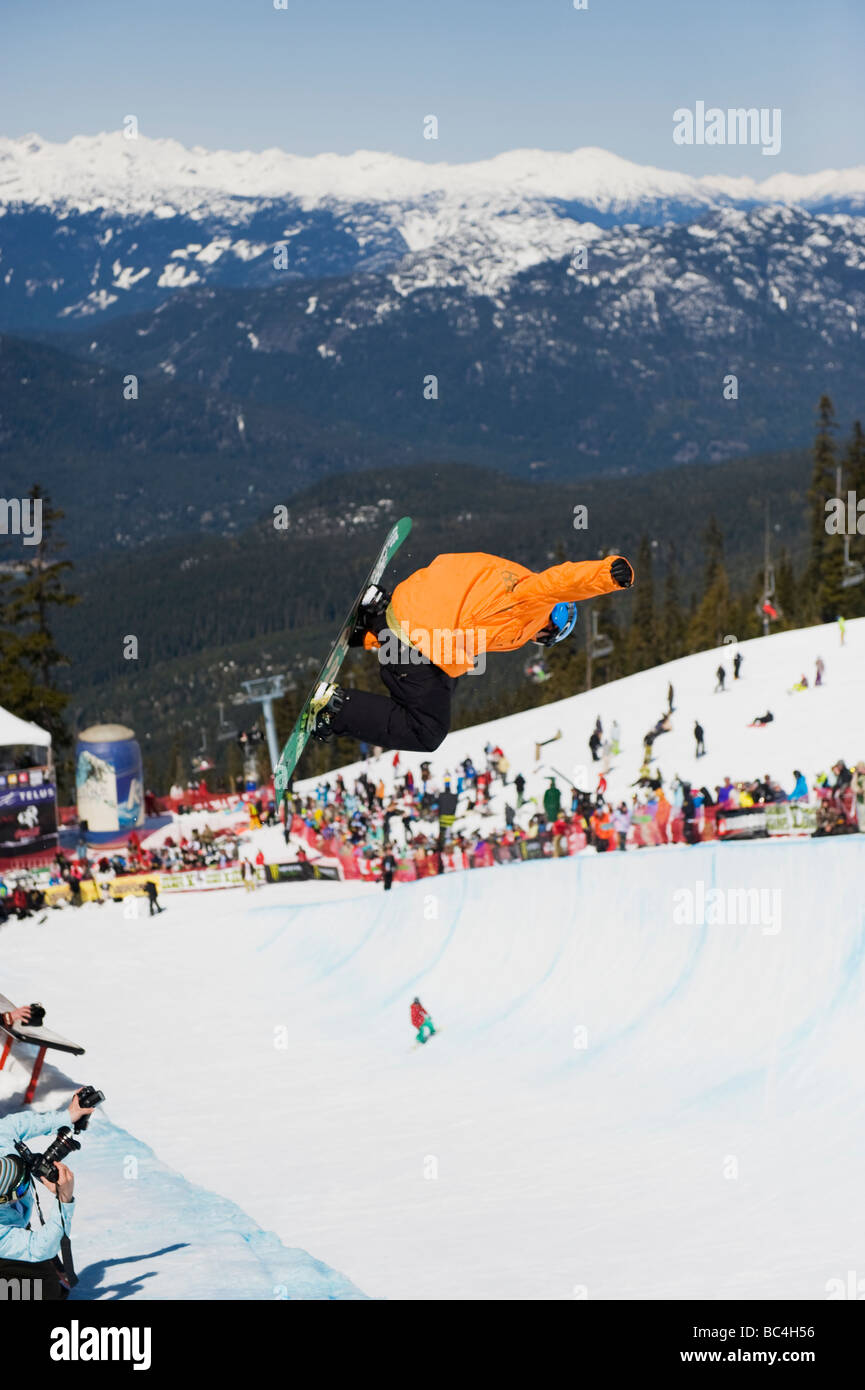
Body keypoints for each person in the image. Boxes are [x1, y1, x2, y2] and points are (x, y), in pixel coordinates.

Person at [308, 550, 634, 751]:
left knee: (451, 676)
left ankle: (374, 620)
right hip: (415, 641)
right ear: (551, 625)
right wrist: (606, 575)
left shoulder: (509, 575)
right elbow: (560, 582)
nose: (538, 641)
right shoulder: (534, 601)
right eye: (549, 637)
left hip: (407, 606)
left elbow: (451, 596)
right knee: (427, 732)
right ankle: (336, 709)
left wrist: (375, 631)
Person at [0, 1088, 96, 1300]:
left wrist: (69, 1115)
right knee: (43, 1294)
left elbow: (19, 1123)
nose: (28, 1185)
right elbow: (39, 1247)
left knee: (49, 1287)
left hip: (11, 1231)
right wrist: (64, 1200)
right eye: (22, 1188)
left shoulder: (1, 1137)